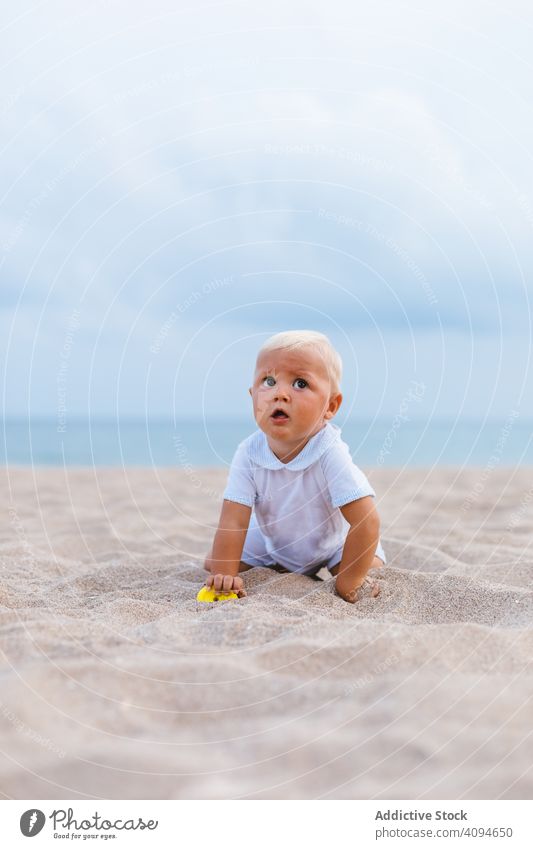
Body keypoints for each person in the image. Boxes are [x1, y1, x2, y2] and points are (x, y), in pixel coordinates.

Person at [203, 330, 386, 603]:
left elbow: (366, 520)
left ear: (331, 405)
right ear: (252, 395)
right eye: (269, 381)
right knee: (215, 562)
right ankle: (279, 564)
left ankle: (340, 570)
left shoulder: (329, 452)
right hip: (272, 543)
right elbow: (233, 519)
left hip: (331, 545)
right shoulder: (249, 453)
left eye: (300, 384)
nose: (280, 394)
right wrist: (225, 577)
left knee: (367, 567)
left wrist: (349, 582)